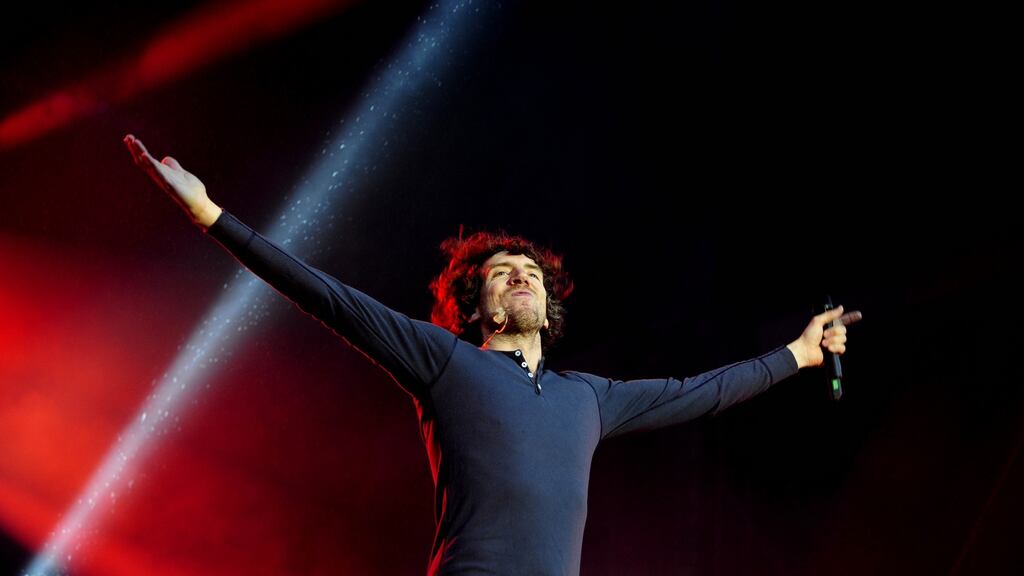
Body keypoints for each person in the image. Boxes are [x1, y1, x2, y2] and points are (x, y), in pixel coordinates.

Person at [123, 134, 862, 575]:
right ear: (477, 304)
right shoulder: (446, 362)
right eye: (504, 274)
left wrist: (797, 355)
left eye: (533, 274)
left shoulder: (589, 397)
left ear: (551, 301)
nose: (522, 278)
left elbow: (698, 391)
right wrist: (212, 216)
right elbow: (330, 298)